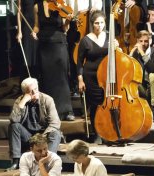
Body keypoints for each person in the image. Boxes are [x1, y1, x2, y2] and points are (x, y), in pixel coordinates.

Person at [32, 0, 75, 121]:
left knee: (62, 78)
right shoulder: (37, 7)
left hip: (59, 43)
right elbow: (37, 26)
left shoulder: (61, 5)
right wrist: (34, 33)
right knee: (47, 78)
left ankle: (67, 111)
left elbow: (65, 28)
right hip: (44, 45)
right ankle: (49, 111)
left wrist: (68, 20)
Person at [7, 77, 61, 171]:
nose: (34, 92)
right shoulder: (20, 101)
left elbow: (55, 123)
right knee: (14, 126)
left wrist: (41, 138)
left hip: (44, 136)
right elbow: (13, 119)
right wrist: (24, 101)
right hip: (28, 137)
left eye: (36, 89)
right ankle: (16, 161)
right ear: (25, 93)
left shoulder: (47, 100)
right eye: (30, 91)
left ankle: (47, 162)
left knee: (56, 133)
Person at [76, 10, 109, 143]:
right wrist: (80, 80)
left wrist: (117, 47)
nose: (99, 25)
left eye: (101, 23)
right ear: (92, 24)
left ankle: (108, 131)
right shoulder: (86, 40)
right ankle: (97, 133)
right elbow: (79, 62)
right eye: (96, 23)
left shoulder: (109, 37)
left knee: (108, 103)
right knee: (96, 105)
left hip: (107, 76)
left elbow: (118, 57)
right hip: (91, 77)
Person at [66, 0, 103, 99]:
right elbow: (66, 7)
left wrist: (94, 9)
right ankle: (75, 85)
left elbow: (98, 4)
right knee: (73, 56)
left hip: (88, 21)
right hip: (73, 25)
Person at [130, 30, 154, 121]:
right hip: (144, 87)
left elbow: (153, 69)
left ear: (150, 41)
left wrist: (142, 54)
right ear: (137, 41)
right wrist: (131, 52)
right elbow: (127, 66)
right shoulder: (135, 54)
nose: (143, 44)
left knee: (153, 76)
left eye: (146, 41)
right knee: (130, 78)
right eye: (140, 41)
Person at [16, 0, 38, 80]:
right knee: (27, 55)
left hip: (38, 26)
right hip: (26, 27)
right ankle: (27, 83)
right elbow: (19, 11)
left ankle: (38, 83)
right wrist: (19, 31)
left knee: (37, 56)